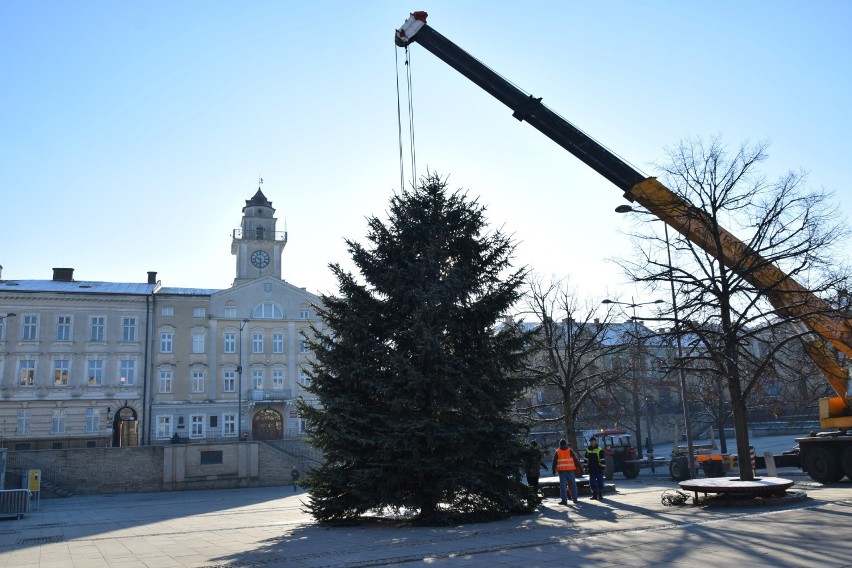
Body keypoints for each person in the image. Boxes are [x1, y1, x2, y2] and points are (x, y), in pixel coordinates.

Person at [551, 438, 581, 505]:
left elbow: (554, 461)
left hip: (561, 471)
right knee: (573, 485)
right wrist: (580, 468)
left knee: (562, 486)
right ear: (566, 444)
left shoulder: (557, 451)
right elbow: (576, 460)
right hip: (570, 471)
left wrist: (553, 470)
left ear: (560, 444)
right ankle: (575, 499)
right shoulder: (570, 450)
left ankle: (564, 500)